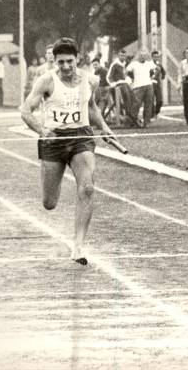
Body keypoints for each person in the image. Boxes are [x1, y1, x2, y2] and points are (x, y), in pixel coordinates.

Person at [20, 37, 117, 264]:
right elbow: (26, 111)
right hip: (53, 139)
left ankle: (79, 247)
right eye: (60, 62)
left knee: (88, 188)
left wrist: (104, 127)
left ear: (78, 59)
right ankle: (54, 174)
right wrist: (42, 131)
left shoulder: (89, 80)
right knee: (49, 203)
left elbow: (91, 107)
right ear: (55, 61)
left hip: (81, 137)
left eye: (69, 62)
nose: (65, 67)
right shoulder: (46, 81)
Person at [126, 49, 157, 127]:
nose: (143, 57)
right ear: (139, 56)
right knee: (136, 104)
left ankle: (146, 122)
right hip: (138, 86)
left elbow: (155, 70)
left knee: (148, 104)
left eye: (145, 55)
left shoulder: (149, 64)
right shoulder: (133, 64)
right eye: (141, 55)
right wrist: (131, 80)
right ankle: (132, 122)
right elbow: (127, 72)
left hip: (148, 85)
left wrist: (152, 77)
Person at [106, 49, 136, 126]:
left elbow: (130, 74)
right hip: (118, 86)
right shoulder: (115, 64)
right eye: (121, 55)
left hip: (125, 84)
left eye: (124, 55)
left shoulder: (126, 64)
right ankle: (125, 117)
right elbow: (108, 76)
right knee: (122, 101)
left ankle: (130, 117)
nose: (122, 57)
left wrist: (130, 79)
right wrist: (113, 83)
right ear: (118, 56)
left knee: (132, 98)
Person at [151, 50, 166, 115]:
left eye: (157, 57)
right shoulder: (148, 64)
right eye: (154, 57)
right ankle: (151, 114)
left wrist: (162, 77)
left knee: (159, 100)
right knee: (150, 100)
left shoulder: (159, 64)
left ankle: (156, 112)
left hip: (157, 84)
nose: (156, 58)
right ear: (152, 57)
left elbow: (163, 72)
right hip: (150, 84)